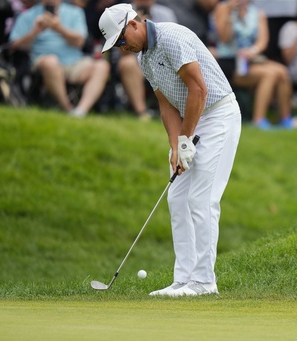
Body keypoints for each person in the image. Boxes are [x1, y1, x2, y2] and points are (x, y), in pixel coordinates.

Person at [99, 3, 241, 296]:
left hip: (217, 114)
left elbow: (198, 90)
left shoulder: (172, 37)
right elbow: (166, 105)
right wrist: (176, 147)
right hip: (192, 119)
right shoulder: (143, 57)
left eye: (121, 40)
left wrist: (187, 139)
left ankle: (204, 282)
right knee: (177, 197)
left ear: (133, 25)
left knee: (202, 198)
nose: (122, 48)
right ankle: (184, 279)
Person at [9, 0, 110, 117]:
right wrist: (35, 31)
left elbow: (80, 42)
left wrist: (59, 29)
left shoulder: (75, 12)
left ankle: (80, 111)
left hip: (73, 61)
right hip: (43, 61)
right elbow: (14, 46)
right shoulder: (27, 15)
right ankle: (67, 108)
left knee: (102, 66)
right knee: (51, 61)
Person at [212, 0, 297, 130]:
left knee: (282, 71)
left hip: (249, 60)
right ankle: (258, 119)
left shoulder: (257, 13)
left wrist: (252, 51)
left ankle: (285, 119)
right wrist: (230, 12)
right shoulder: (223, 8)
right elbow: (224, 38)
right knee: (269, 74)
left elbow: (262, 41)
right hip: (228, 61)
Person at [114, 0, 178, 119]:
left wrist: (146, 28)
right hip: (136, 62)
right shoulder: (123, 14)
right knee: (127, 64)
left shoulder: (166, 14)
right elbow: (123, 50)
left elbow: (173, 45)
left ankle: (174, 112)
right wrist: (137, 29)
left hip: (162, 61)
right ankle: (142, 113)